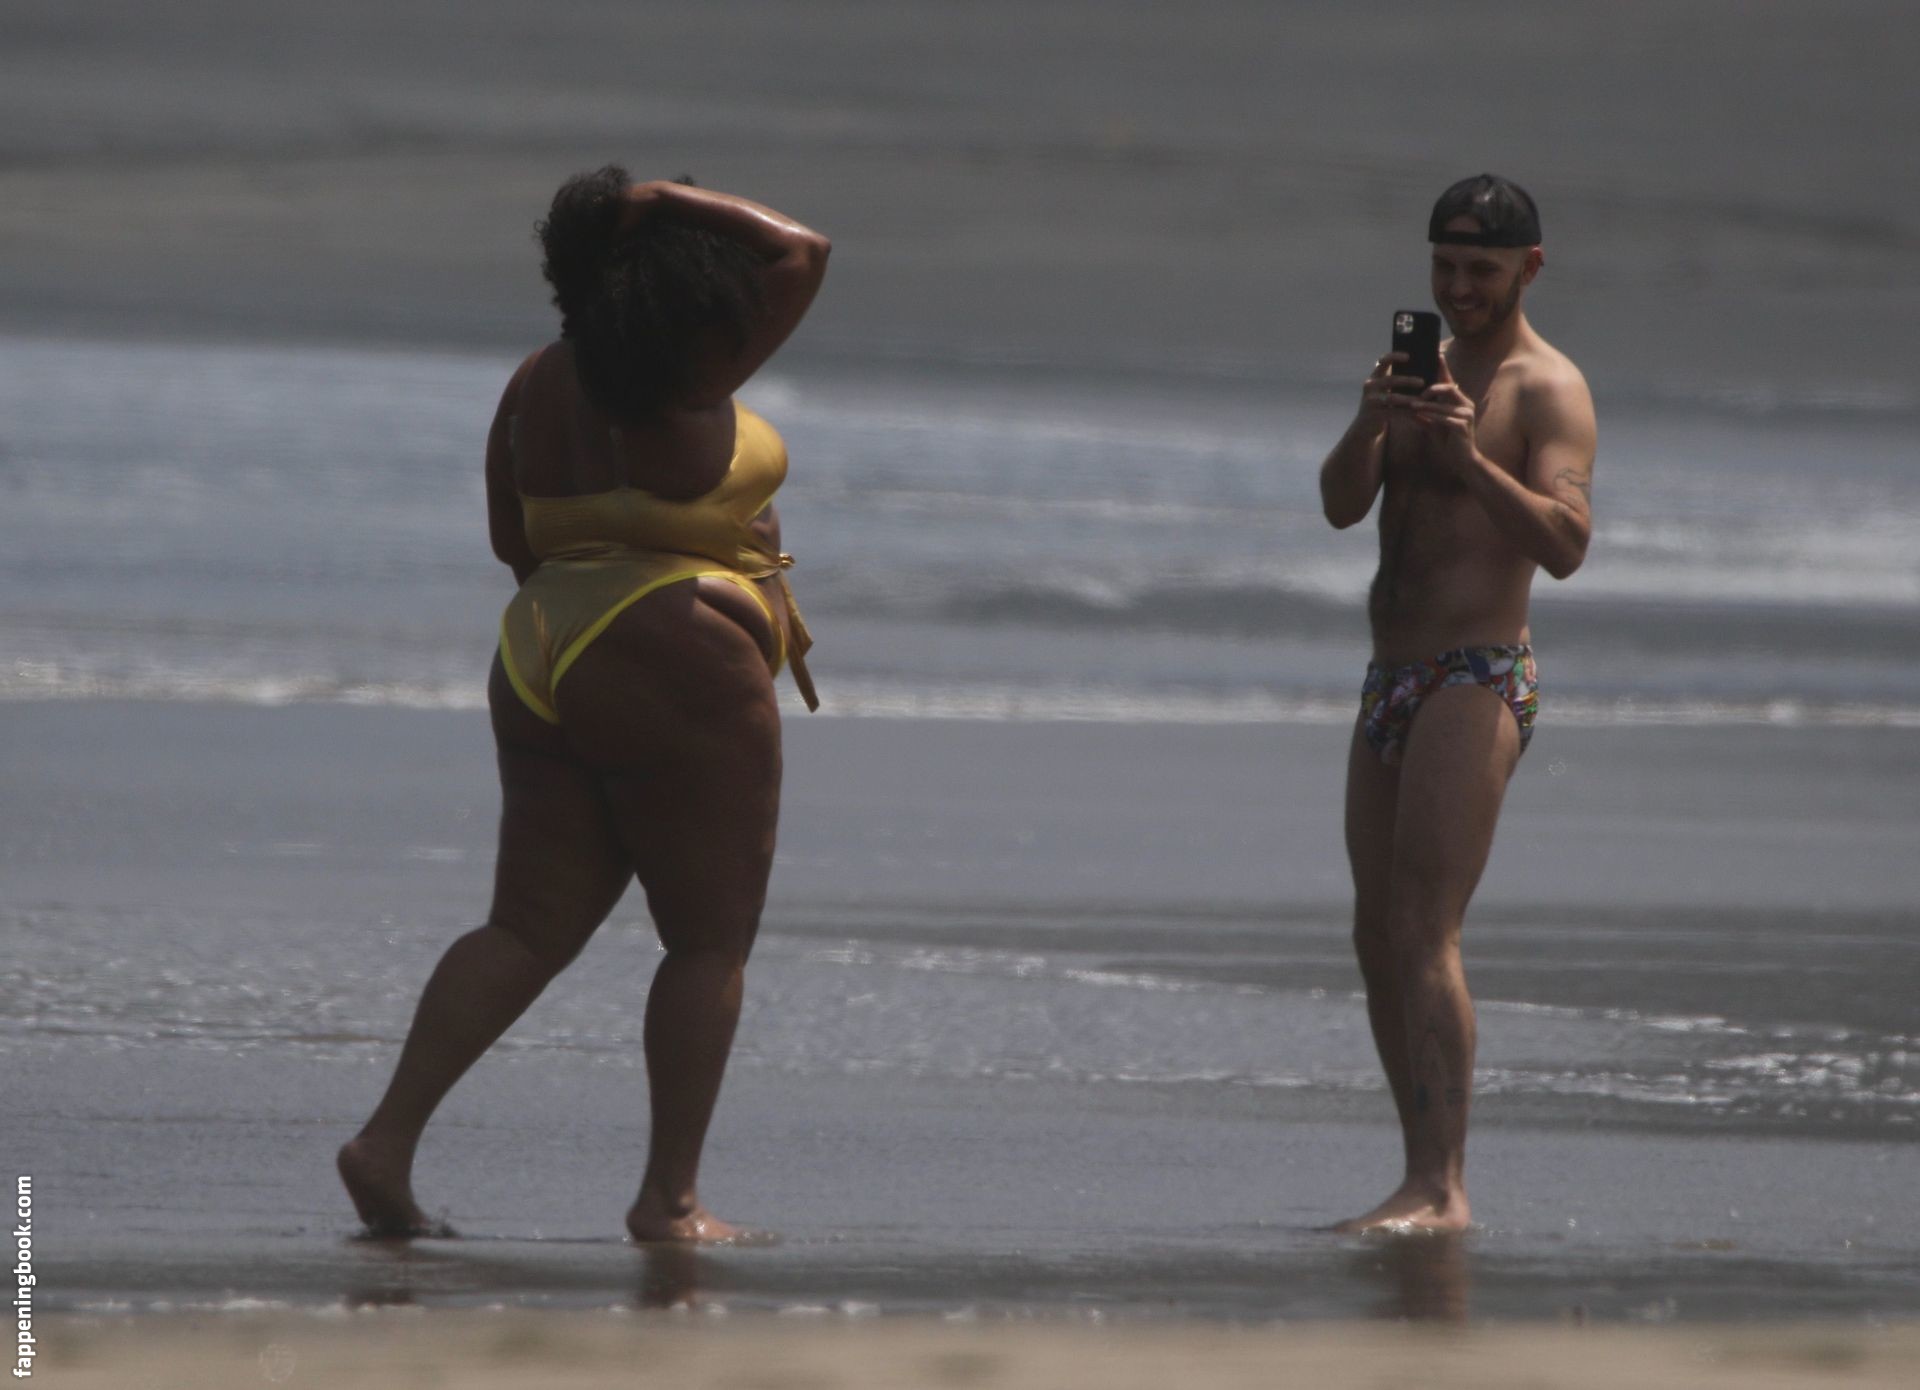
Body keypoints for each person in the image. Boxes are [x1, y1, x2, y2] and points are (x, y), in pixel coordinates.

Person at [337, 168, 830, 1243]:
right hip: (676, 650)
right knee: (706, 943)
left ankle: (385, 1142)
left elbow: (512, 542)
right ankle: (671, 1199)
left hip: (539, 652)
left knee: (523, 927)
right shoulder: (686, 369)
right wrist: (663, 199)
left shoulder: (534, 383)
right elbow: (803, 249)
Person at [1317, 174, 1596, 1232]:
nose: (1460, 287)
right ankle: (1416, 1171)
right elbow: (1341, 507)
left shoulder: (1547, 389)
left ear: (1531, 267)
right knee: (1375, 931)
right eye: (1445, 265)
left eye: (1482, 268)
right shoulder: (1418, 368)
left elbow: (1567, 545)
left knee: (1426, 927)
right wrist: (1370, 424)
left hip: (1476, 675)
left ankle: (1445, 1186)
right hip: (1389, 676)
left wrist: (1470, 458)